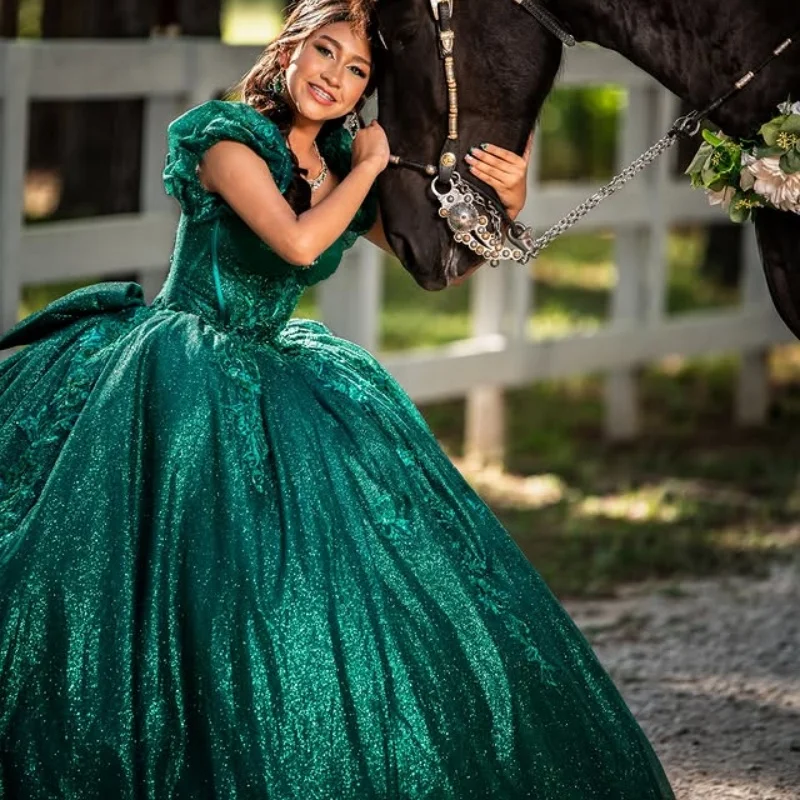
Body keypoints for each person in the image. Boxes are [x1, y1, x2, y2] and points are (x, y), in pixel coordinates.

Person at [0, 1, 674, 797]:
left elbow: (437, 259)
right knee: (170, 573)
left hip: (277, 364)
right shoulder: (226, 137)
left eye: (357, 71)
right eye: (325, 51)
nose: (336, 76)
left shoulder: (332, 164)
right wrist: (366, 170)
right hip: (182, 364)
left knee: (357, 571)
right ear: (289, 46)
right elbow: (296, 240)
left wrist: (512, 198)